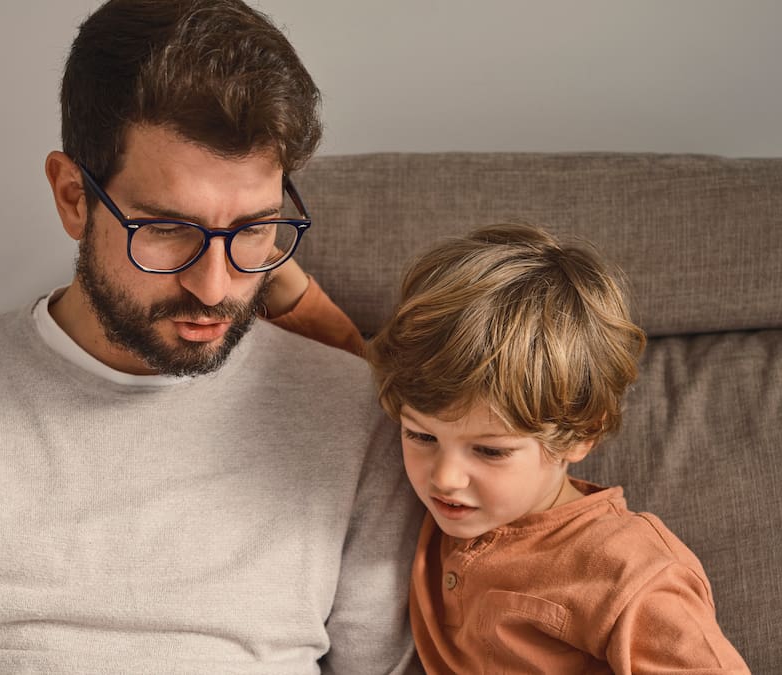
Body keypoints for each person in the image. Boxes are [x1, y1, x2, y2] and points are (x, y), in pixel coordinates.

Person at [0, 1, 421, 673]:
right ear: (74, 196)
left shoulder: (358, 409)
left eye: (252, 230)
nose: (214, 286)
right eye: (167, 228)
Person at [275, 222, 750, 673]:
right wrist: (269, 267)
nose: (444, 477)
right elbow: (353, 371)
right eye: (420, 436)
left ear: (581, 434)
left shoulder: (630, 571)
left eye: (490, 451)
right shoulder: (451, 489)